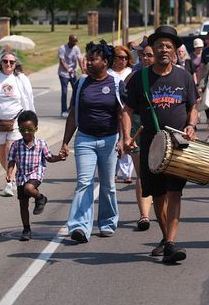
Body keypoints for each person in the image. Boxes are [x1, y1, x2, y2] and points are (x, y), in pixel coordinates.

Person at [123, 26, 198, 264]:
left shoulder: (184, 76)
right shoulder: (140, 78)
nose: (164, 50)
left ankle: (171, 243)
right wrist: (126, 136)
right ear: (152, 50)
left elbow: (192, 107)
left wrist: (192, 126)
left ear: (175, 50)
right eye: (159, 46)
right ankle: (167, 240)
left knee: (175, 193)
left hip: (178, 145)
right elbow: (128, 110)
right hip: (151, 147)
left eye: (168, 46)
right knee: (158, 195)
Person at [61, 40, 125, 243]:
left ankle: (107, 223)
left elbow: (123, 113)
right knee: (83, 183)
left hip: (109, 140)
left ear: (105, 62)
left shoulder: (115, 83)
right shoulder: (81, 83)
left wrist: (124, 139)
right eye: (87, 58)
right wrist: (65, 142)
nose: (88, 62)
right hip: (85, 139)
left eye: (93, 59)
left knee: (108, 185)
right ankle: (80, 226)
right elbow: (73, 114)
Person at [0, 51, 35, 197]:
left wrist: (30, 119)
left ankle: (9, 183)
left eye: (11, 62)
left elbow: (28, 98)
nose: (8, 64)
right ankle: (16, 174)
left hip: (16, 120)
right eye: (5, 61)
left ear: (15, 64)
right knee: (1, 156)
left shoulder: (21, 79)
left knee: (9, 150)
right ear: (1, 63)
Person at [7, 111, 65, 241]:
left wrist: (59, 157)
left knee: (29, 188)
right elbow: (11, 160)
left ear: (36, 129)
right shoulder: (16, 145)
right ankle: (26, 229)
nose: (26, 132)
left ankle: (41, 198)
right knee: (23, 204)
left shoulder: (41, 144)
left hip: (35, 174)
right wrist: (9, 173)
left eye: (29, 129)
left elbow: (49, 158)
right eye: (22, 129)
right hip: (21, 176)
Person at [125, 44, 155, 231]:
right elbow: (125, 106)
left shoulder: (169, 75)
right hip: (138, 125)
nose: (144, 58)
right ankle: (144, 215)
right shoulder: (135, 76)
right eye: (142, 55)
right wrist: (126, 135)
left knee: (161, 173)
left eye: (149, 55)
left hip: (160, 127)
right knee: (143, 173)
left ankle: (162, 208)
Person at [108, 45, 134, 184]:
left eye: (125, 58)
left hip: (127, 111)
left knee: (127, 139)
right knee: (113, 143)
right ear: (113, 58)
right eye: (120, 57)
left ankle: (126, 173)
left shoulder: (131, 72)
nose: (123, 60)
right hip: (112, 113)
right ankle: (112, 171)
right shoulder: (109, 73)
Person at [58, 35, 84, 118]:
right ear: (69, 40)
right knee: (64, 92)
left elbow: (79, 60)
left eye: (76, 41)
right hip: (63, 73)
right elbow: (62, 61)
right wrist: (68, 69)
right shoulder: (62, 48)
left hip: (73, 73)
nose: (75, 43)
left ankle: (71, 108)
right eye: (74, 41)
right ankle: (64, 110)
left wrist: (83, 70)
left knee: (76, 91)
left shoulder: (76, 48)